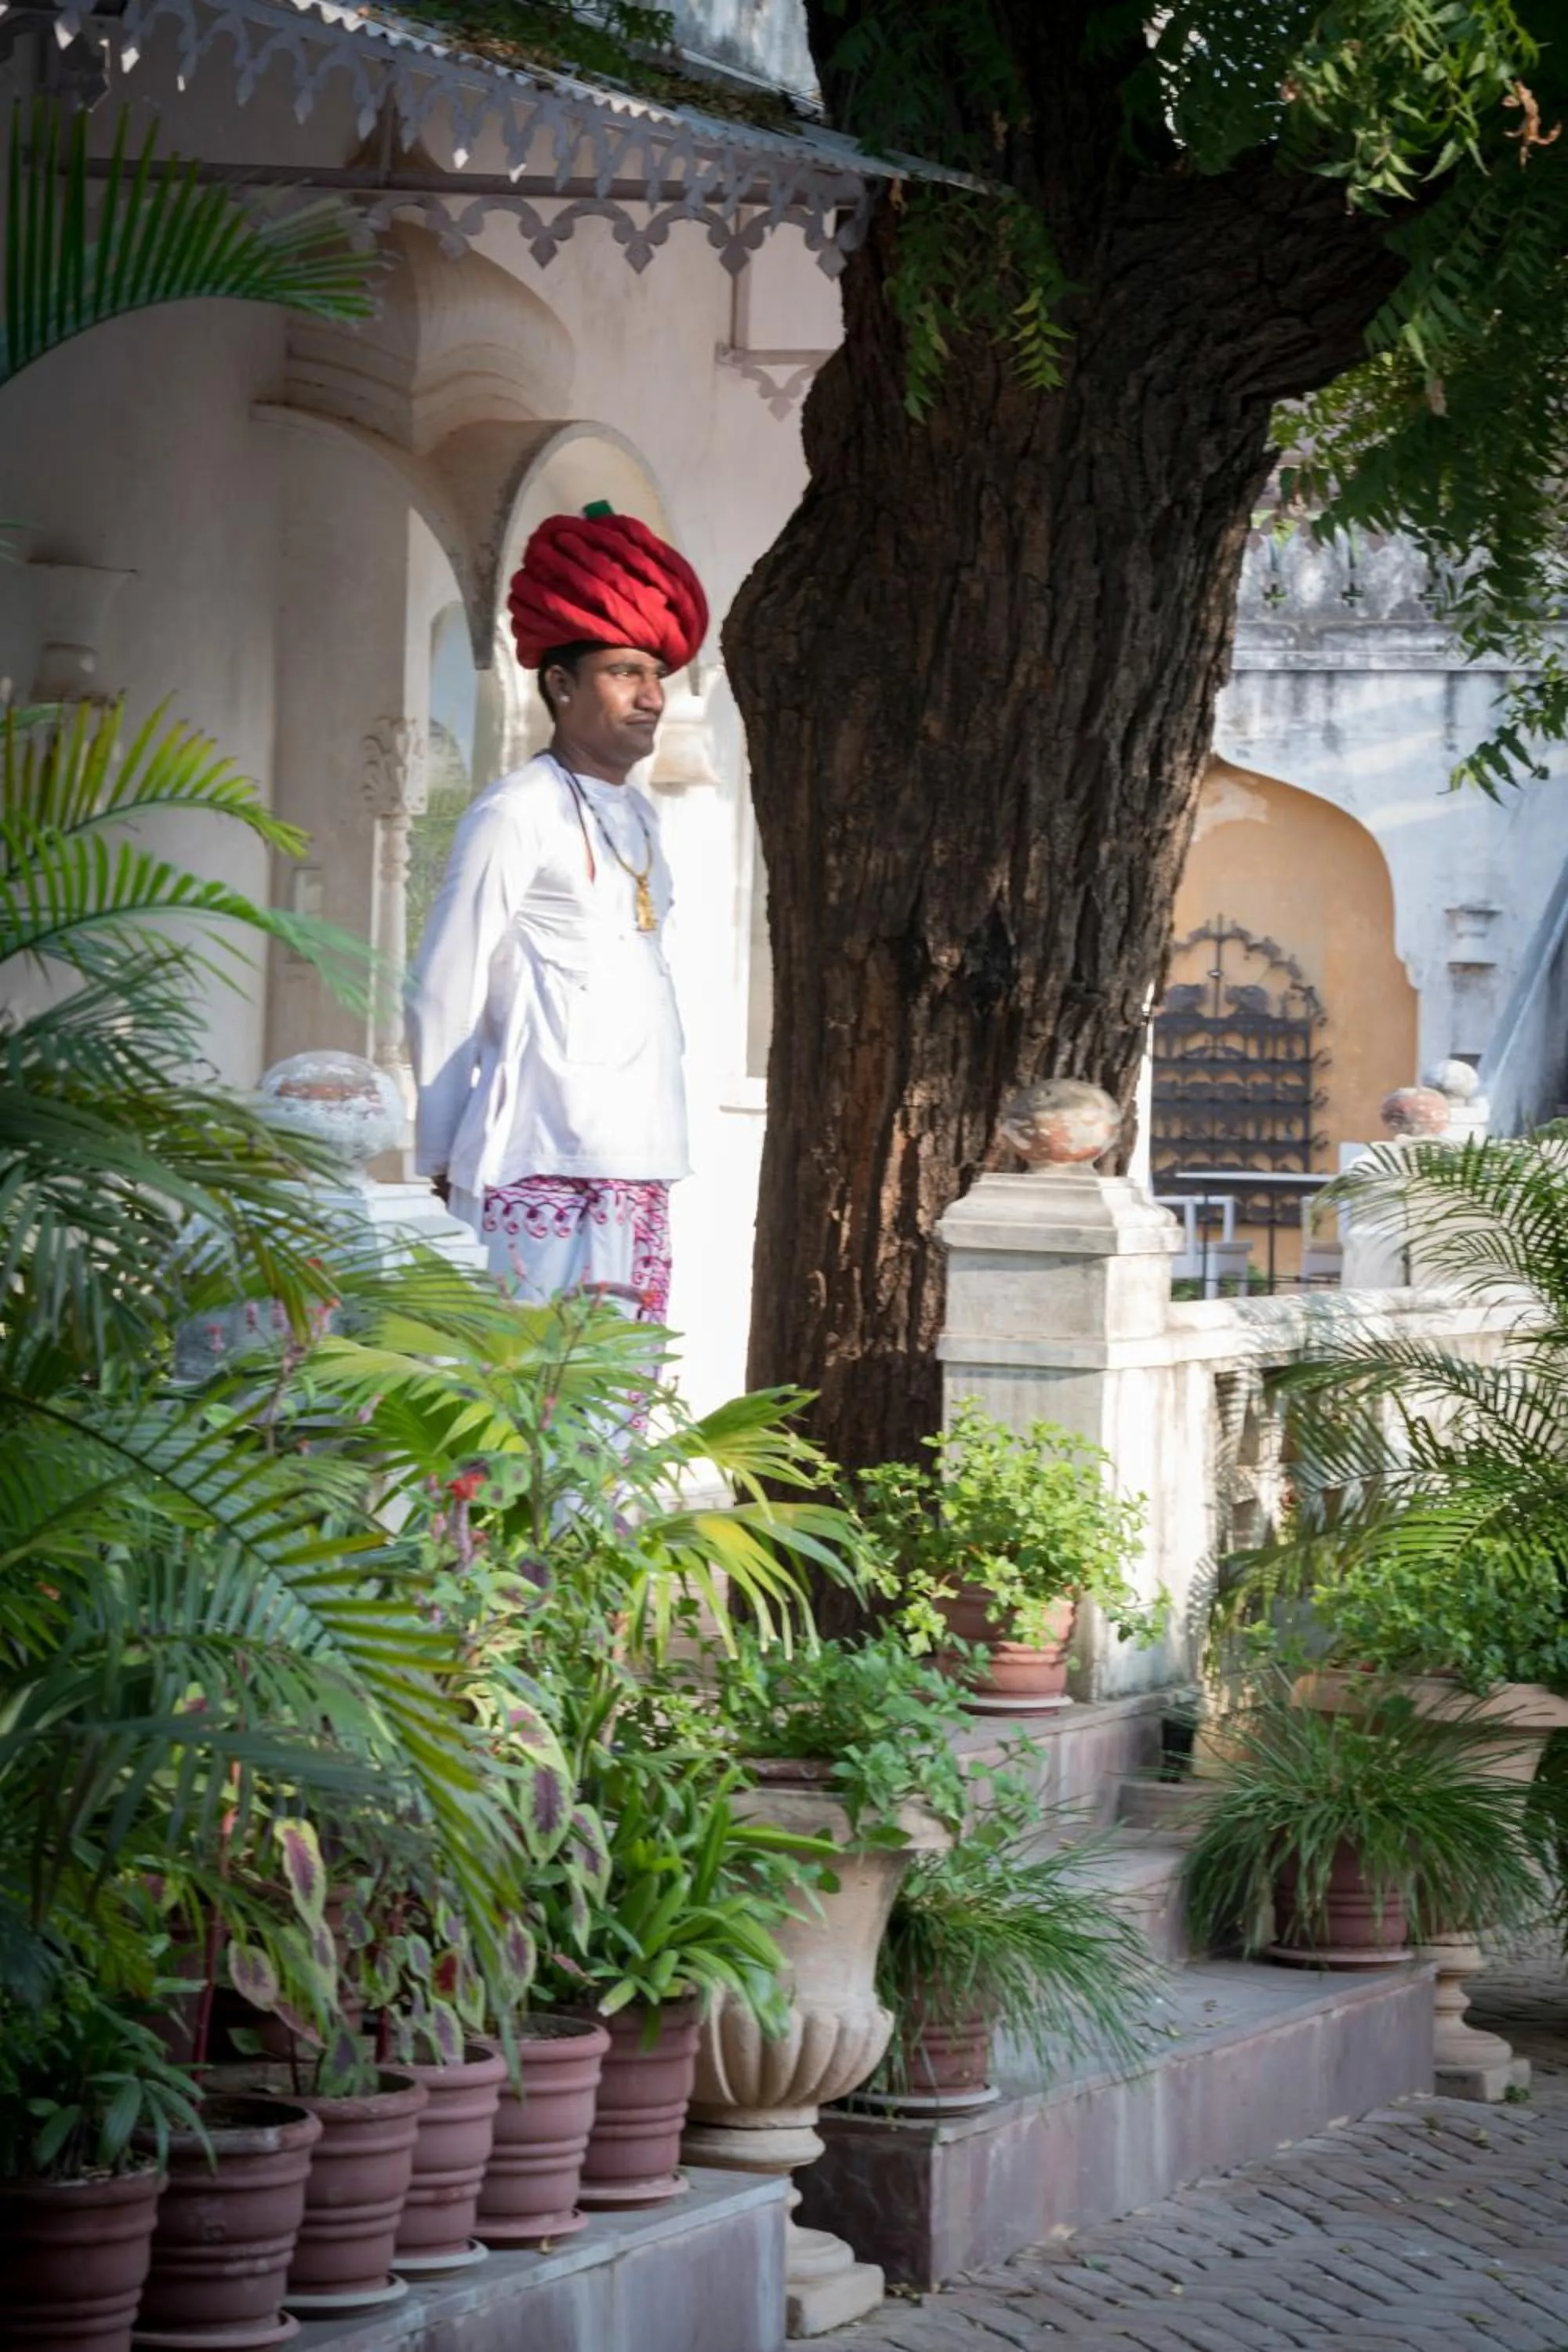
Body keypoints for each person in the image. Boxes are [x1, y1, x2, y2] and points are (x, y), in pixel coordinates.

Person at [407, 504, 707, 1323]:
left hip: (638, 1156)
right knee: (517, 1416)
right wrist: (436, 1151)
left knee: (613, 1413)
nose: (649, 697)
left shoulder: (639, 815)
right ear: (560, 683)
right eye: (622, 672)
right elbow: (443, 982)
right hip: (536, 1157)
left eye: (656, 675)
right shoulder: (517, 810)